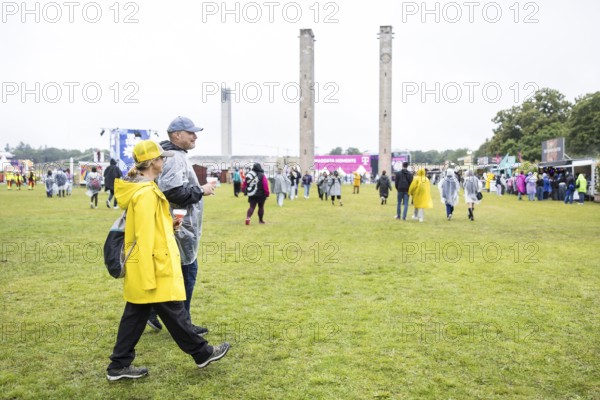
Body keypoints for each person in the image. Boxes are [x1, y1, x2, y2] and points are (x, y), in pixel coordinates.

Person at [106, 140, 229, 381]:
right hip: (152, 265)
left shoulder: (143, 190)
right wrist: (150, 272)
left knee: (137, 315)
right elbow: (143, 236)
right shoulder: (146, 194)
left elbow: (146, 228)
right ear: (152, 162)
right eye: (161, 158)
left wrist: (167, 224)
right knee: (174, 312)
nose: (164, 161)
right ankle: (202, 353)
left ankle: (119, 366)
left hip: (149, 264)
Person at [144, 116, 216, 336]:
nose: (195, 136)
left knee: (174, 274)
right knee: (186, 274)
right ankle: (183, 324)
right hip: (179, 229)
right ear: (177, 135)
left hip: (179, 227)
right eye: (190, 133)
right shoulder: (174, 157)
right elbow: (173, 192)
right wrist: (201, 190)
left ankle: (152, 311)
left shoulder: (175, 155)